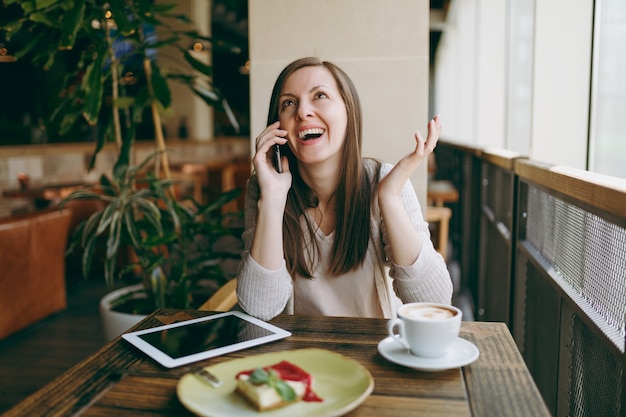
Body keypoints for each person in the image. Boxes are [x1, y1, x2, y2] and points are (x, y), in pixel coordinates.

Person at [237, 57, 453, 321]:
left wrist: (389, 198)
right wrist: (272, 198)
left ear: (349, 112)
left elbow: (434, 302)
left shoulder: (384, 182)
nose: (302, 112)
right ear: (279, 126)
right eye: (289, 102)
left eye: (320, 96)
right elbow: (260, 309)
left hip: (375, 355)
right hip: (300, 355)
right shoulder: (264, 187)